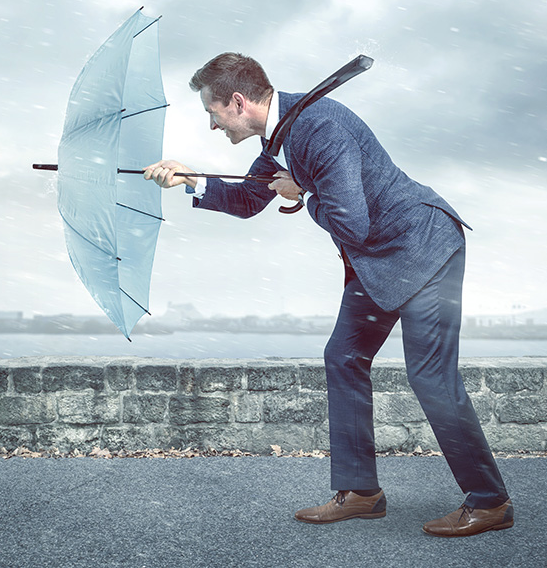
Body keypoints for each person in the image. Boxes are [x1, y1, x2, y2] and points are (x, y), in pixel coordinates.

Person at [143, 52, 512, 538]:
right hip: (377, 261)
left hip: (423, 250)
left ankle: (490, 502)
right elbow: (250, 199)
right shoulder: (278, 138)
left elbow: (351, 223)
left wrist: (303, 195)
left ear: (237, 102)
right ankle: (361, 492)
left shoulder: (320, 128)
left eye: (211, 113)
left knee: (430, 378)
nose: (212, 126)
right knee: (343, 357)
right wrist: (192, 181)